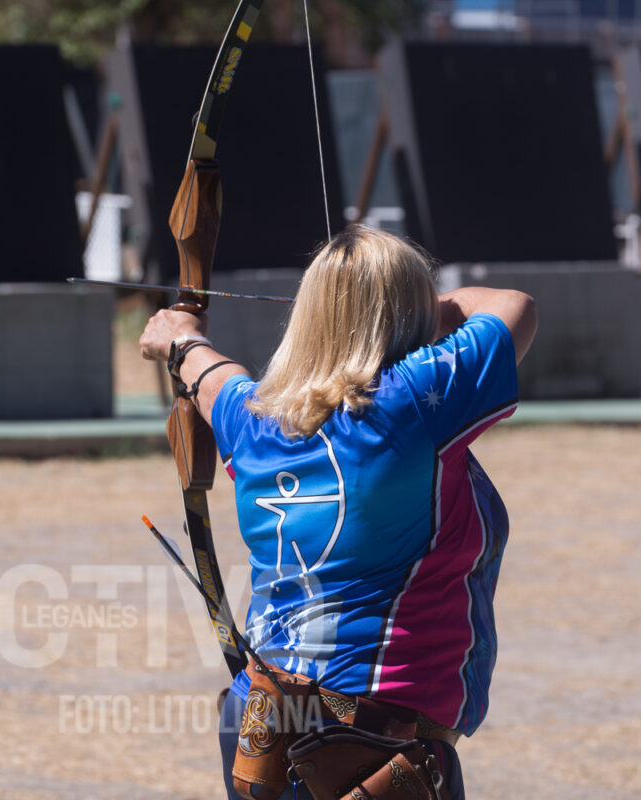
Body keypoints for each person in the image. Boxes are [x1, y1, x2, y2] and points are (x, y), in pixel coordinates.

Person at [139, 225, 537, 799]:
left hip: (262, 725)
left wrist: (179, 337)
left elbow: (206, 372)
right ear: (407, 317)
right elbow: (511, 306)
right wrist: (432, 309)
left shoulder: (253, 417)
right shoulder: (407, 403)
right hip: (372, 746)